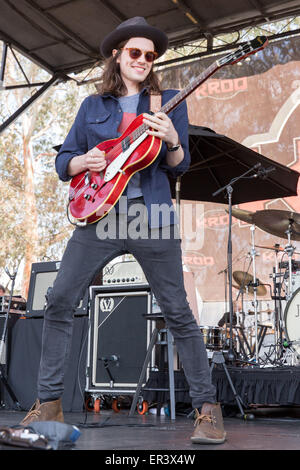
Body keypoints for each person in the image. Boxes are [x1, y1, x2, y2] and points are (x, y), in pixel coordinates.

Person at [20, 17, 226, 445]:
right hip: (100, 217)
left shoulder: (167, 101)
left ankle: (208, 410)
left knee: (178, 312)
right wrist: (83, 162)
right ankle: (49, 404)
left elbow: (179, 166)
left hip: (151, 217)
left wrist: (172, 139)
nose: (144, 61)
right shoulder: (93, 107)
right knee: (59, 300)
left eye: (151, 55)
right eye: (135, 52)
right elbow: (64, 162)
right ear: (117, 55)